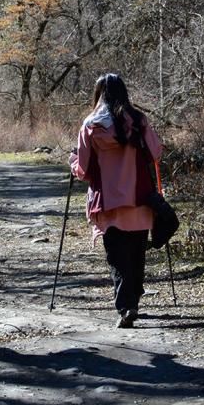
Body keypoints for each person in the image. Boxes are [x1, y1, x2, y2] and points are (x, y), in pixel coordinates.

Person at [68, 73, 162, 328]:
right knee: (136, 255)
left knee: (118, 259)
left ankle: (126, 306)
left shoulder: (90, 125)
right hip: (141, 200)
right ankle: (133, 300)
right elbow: (156, 153)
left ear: (98, 95)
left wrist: (73, 162)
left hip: (108, 203)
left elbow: (84, 170)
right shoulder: (140, 121)